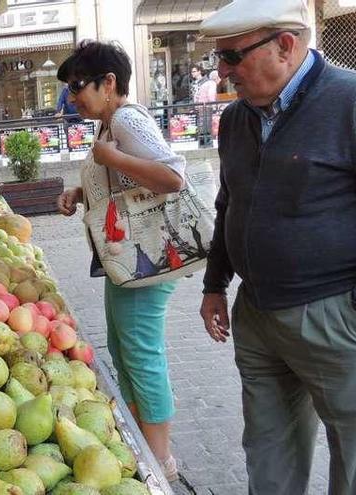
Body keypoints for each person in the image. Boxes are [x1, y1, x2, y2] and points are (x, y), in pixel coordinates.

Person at [199, 0, 356, 493]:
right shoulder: (236, 119)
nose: (223, 72)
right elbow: (229, 202)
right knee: (268, 449)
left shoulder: (348, 101)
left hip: (332, 315)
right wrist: (214, 284)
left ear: (284, 46)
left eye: (232, 57)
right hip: (258, 315)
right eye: (219, 59)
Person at [55, 40, 185, 481]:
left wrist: (114, 156)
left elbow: (172, 176)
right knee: (123, 350)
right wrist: (79, 192)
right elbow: (123, 186)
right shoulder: (108, 124)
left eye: (78, 87)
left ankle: (160, 460)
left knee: (141, 354)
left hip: (146, 261)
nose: (73, 98)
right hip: (126, 262)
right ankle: (144, 443)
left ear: (109, 82)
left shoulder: (126, 119)